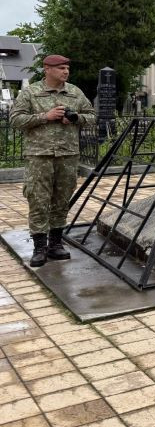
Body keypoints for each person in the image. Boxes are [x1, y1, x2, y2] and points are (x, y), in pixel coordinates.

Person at [10, 54, 96, 268]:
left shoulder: (74, 92)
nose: (66, 71)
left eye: (67, 68)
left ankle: (55, 244)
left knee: (62, 199)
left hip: (68, 155)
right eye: (61, 68)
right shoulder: (31, 92)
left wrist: (76, 118)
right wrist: (44, 116)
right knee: (38, 199)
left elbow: (92, 116)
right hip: (39, 155)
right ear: (47, 69)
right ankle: (39, 247)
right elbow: (15, 119)